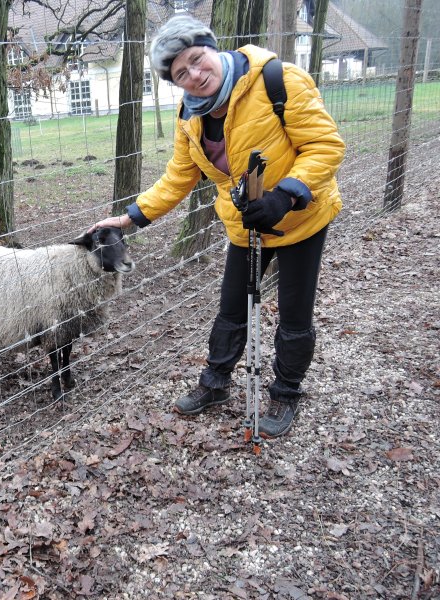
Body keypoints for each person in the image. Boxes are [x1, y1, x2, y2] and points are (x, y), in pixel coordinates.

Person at [90, 15, 345, 438]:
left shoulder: (278, 80)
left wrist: (285, 194)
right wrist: (131, 217)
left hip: (301, 218)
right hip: (245, 225)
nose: (194, 74)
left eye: (196, 59)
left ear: (212, 47)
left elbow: (326, 144)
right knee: (231, 310)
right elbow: (179, 175)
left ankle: (285, 392)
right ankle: (215, 384)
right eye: (180, 73)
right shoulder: (190, 117)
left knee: (294, 315)